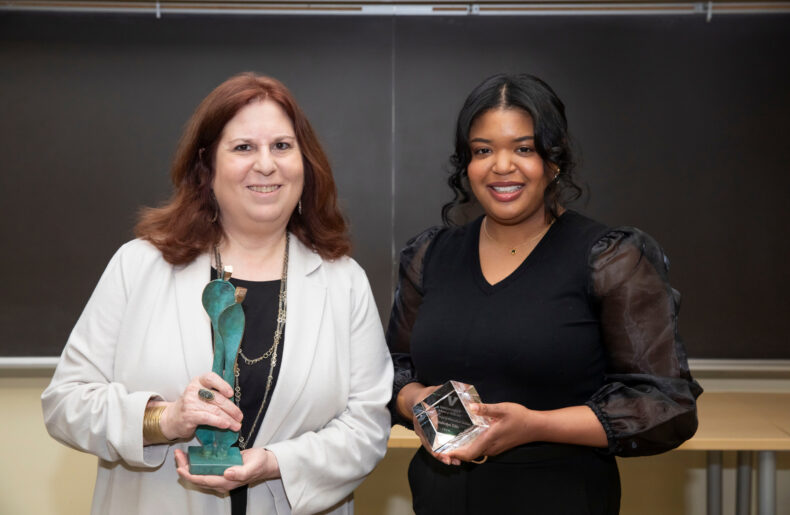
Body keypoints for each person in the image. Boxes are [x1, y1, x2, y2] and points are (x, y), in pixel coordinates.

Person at [42, 73, 393, 515]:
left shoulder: (343, 281)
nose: (266, 164)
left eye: (282, 146)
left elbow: (367, 427)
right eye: (243, 147)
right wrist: (164, 419)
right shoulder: (140, 265)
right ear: (207, 166)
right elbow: (65, 403)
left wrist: (274, 463)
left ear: (305, 161)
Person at [387, 73, 702, 514]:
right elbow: (393, 369)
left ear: (554, 160)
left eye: (523, 148)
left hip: (562, 497)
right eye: (482, 150)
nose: (501, 166)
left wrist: (535, 426)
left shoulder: (610, 258)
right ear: (466, 165)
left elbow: (664, 405)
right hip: (439, 497)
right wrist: (413, 399)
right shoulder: (428, 255)